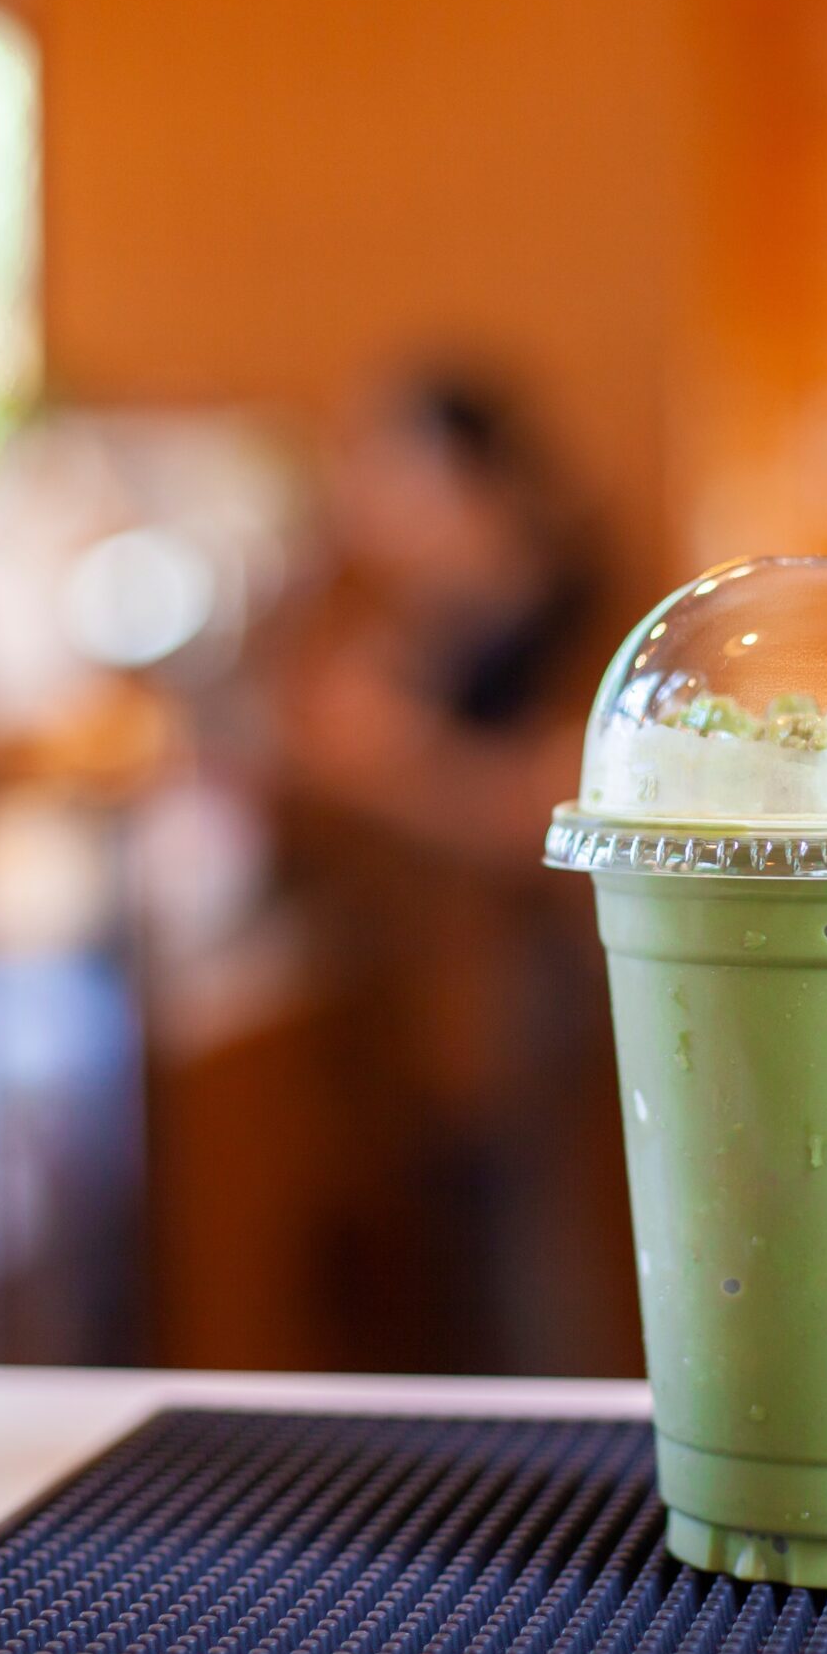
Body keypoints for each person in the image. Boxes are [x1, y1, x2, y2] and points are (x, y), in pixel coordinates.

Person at [275, 367, 626, 1373]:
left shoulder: (583, 618)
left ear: (477, 480)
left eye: (391, 469)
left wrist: (392, 758)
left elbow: (552, 817)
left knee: (542, 1284)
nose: (366, 498)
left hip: (547, 1022)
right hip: (423, 1028)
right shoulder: (412, 625)